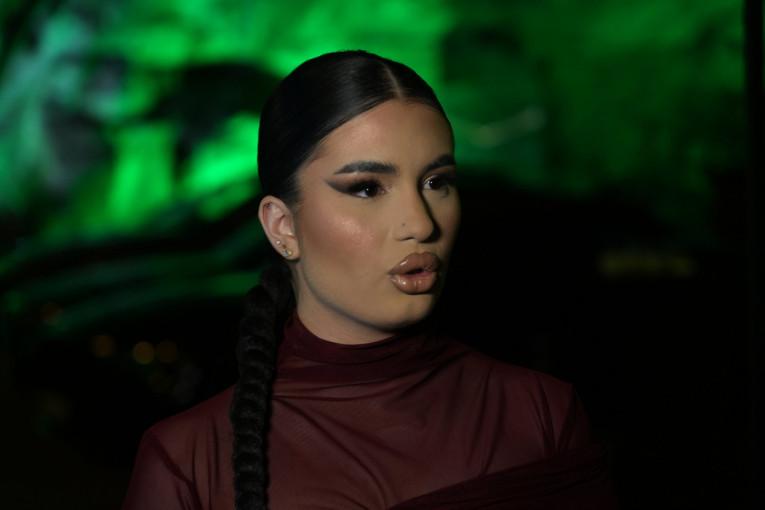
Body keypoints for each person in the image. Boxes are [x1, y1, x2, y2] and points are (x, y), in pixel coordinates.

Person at [121, 49, 619, 510]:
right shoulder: (187, 460)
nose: (420, 223)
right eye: (366, 188)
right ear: (282, 226)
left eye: (437, 182)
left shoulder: (542, 412)